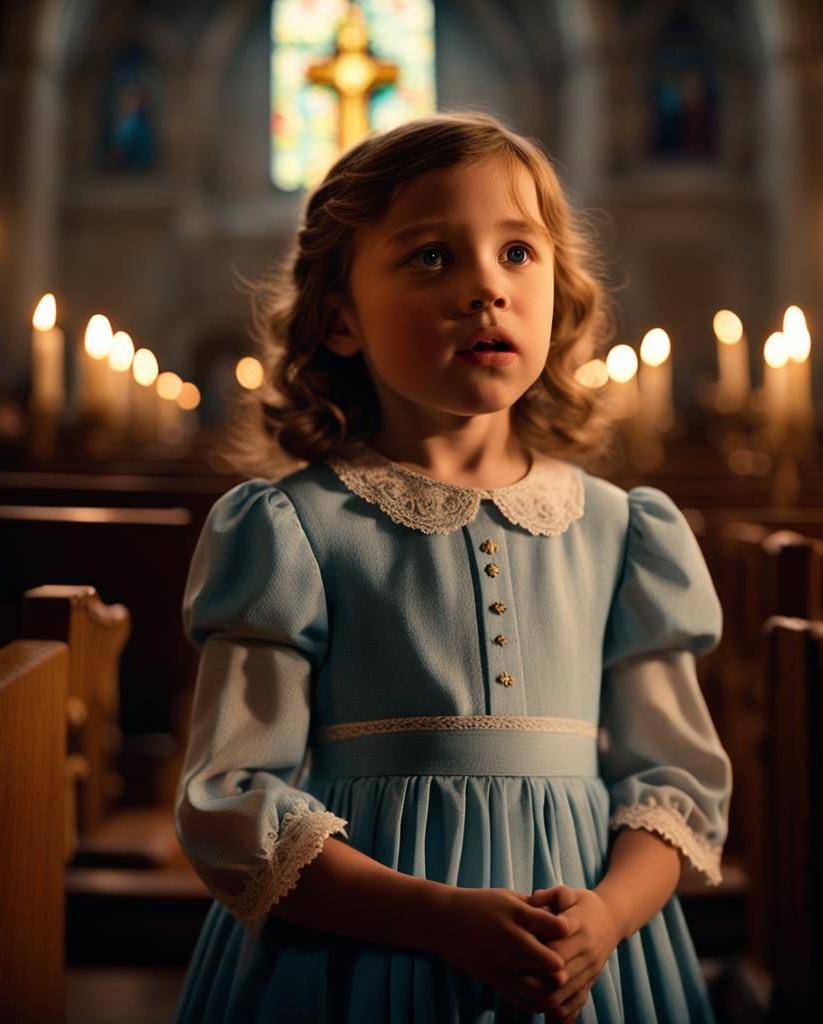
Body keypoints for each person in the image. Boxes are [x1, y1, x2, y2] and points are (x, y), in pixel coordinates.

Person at [173, 112, 731, 1024]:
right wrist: (440, 921)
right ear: (341, 317)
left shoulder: (626, 532)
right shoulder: (291, 530)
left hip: (594, 961)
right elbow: (234, 799)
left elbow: (674, 783)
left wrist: (609, 913)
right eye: (432, 256)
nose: (486, 288)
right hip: (359, 961)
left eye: (519, 253)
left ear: (559, 288)